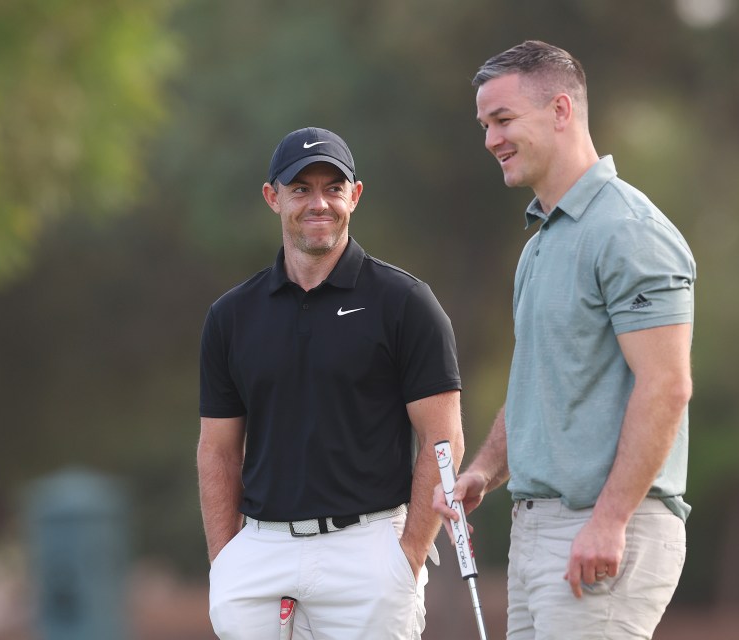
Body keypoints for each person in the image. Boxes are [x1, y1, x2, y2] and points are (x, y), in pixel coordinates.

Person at [433, 41, 696, 639]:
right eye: (484, 125)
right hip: (537, 532)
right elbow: (540, 386)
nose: (490, 140)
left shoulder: (628, 231)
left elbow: (667, 385)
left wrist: (609, 521)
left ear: (559, 110)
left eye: (502, 120)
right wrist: (483, 471)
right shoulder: (540, 244)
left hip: (601, 529)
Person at [199, 126, 464, 640]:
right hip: (260, 551)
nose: (318, 203)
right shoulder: (231, 316)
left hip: (367, 549)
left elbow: (442, 438)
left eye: (332, 188)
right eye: (300, 189)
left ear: (354, 196)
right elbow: (218, 451)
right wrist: (225, 559)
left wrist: (407, 555)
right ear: (273, 198)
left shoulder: (405, 303)